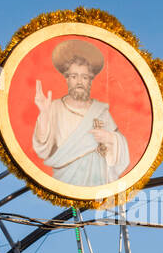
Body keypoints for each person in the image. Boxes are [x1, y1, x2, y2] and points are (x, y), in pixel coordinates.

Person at [32, 38, 130, 187]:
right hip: (65, 177)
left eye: (84, 77)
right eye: (74, 76)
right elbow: (42, 148)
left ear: (90, 81)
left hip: (98, 176)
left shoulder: (100, 110)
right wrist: (45, 113)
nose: (79, 81)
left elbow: (121, 145)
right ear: (67, 79)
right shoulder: (55, 108)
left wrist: (110, 137)